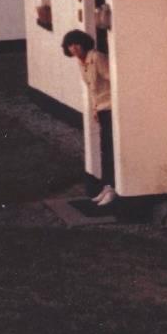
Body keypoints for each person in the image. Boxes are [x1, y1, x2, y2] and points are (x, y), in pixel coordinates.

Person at [62, 30, 115, 206]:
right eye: (70, 45)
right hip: (101, 109)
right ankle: (107, 187)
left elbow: (113, 80)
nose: (74, 48)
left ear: (84, 43)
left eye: (76, 43)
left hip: (111, 108)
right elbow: (92, 88)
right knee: (105, 149)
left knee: (110, 150)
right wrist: (94, 109)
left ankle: (112, 188)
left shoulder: (97, 58)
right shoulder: (81, 62)